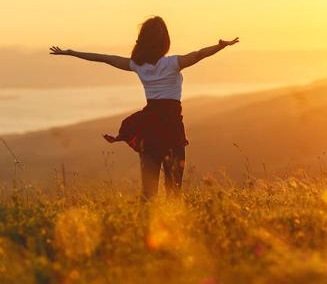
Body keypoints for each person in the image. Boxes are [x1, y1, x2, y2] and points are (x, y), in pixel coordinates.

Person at [50, 16, 239, 200]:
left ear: (142, 41)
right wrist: (220, 46)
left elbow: (104, 58)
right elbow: (199, 54)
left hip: (149, 130)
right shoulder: (173, 63)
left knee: (148, 193)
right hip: (172, 129)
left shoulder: (138, 65)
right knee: (174, 191)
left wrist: (71, 52)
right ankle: (172, 228)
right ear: (164, 41)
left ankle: (143, 227)